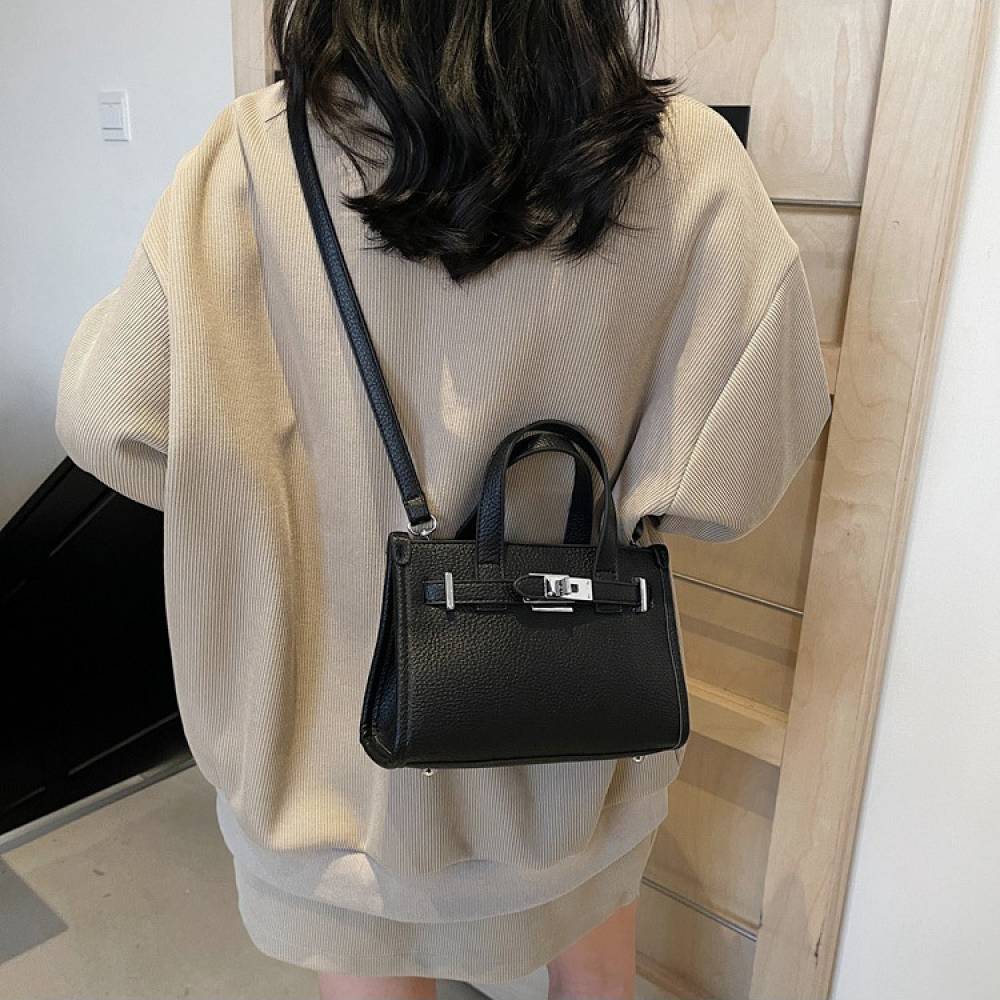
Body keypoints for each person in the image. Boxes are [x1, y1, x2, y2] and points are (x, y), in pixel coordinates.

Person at [53, 1, 831, 997]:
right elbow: (737, 475)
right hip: (572, 763)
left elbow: (108, 417)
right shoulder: (688, 163)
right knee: (598, 979)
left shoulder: (252, 155)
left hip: (326, 785)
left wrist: (279, 496)